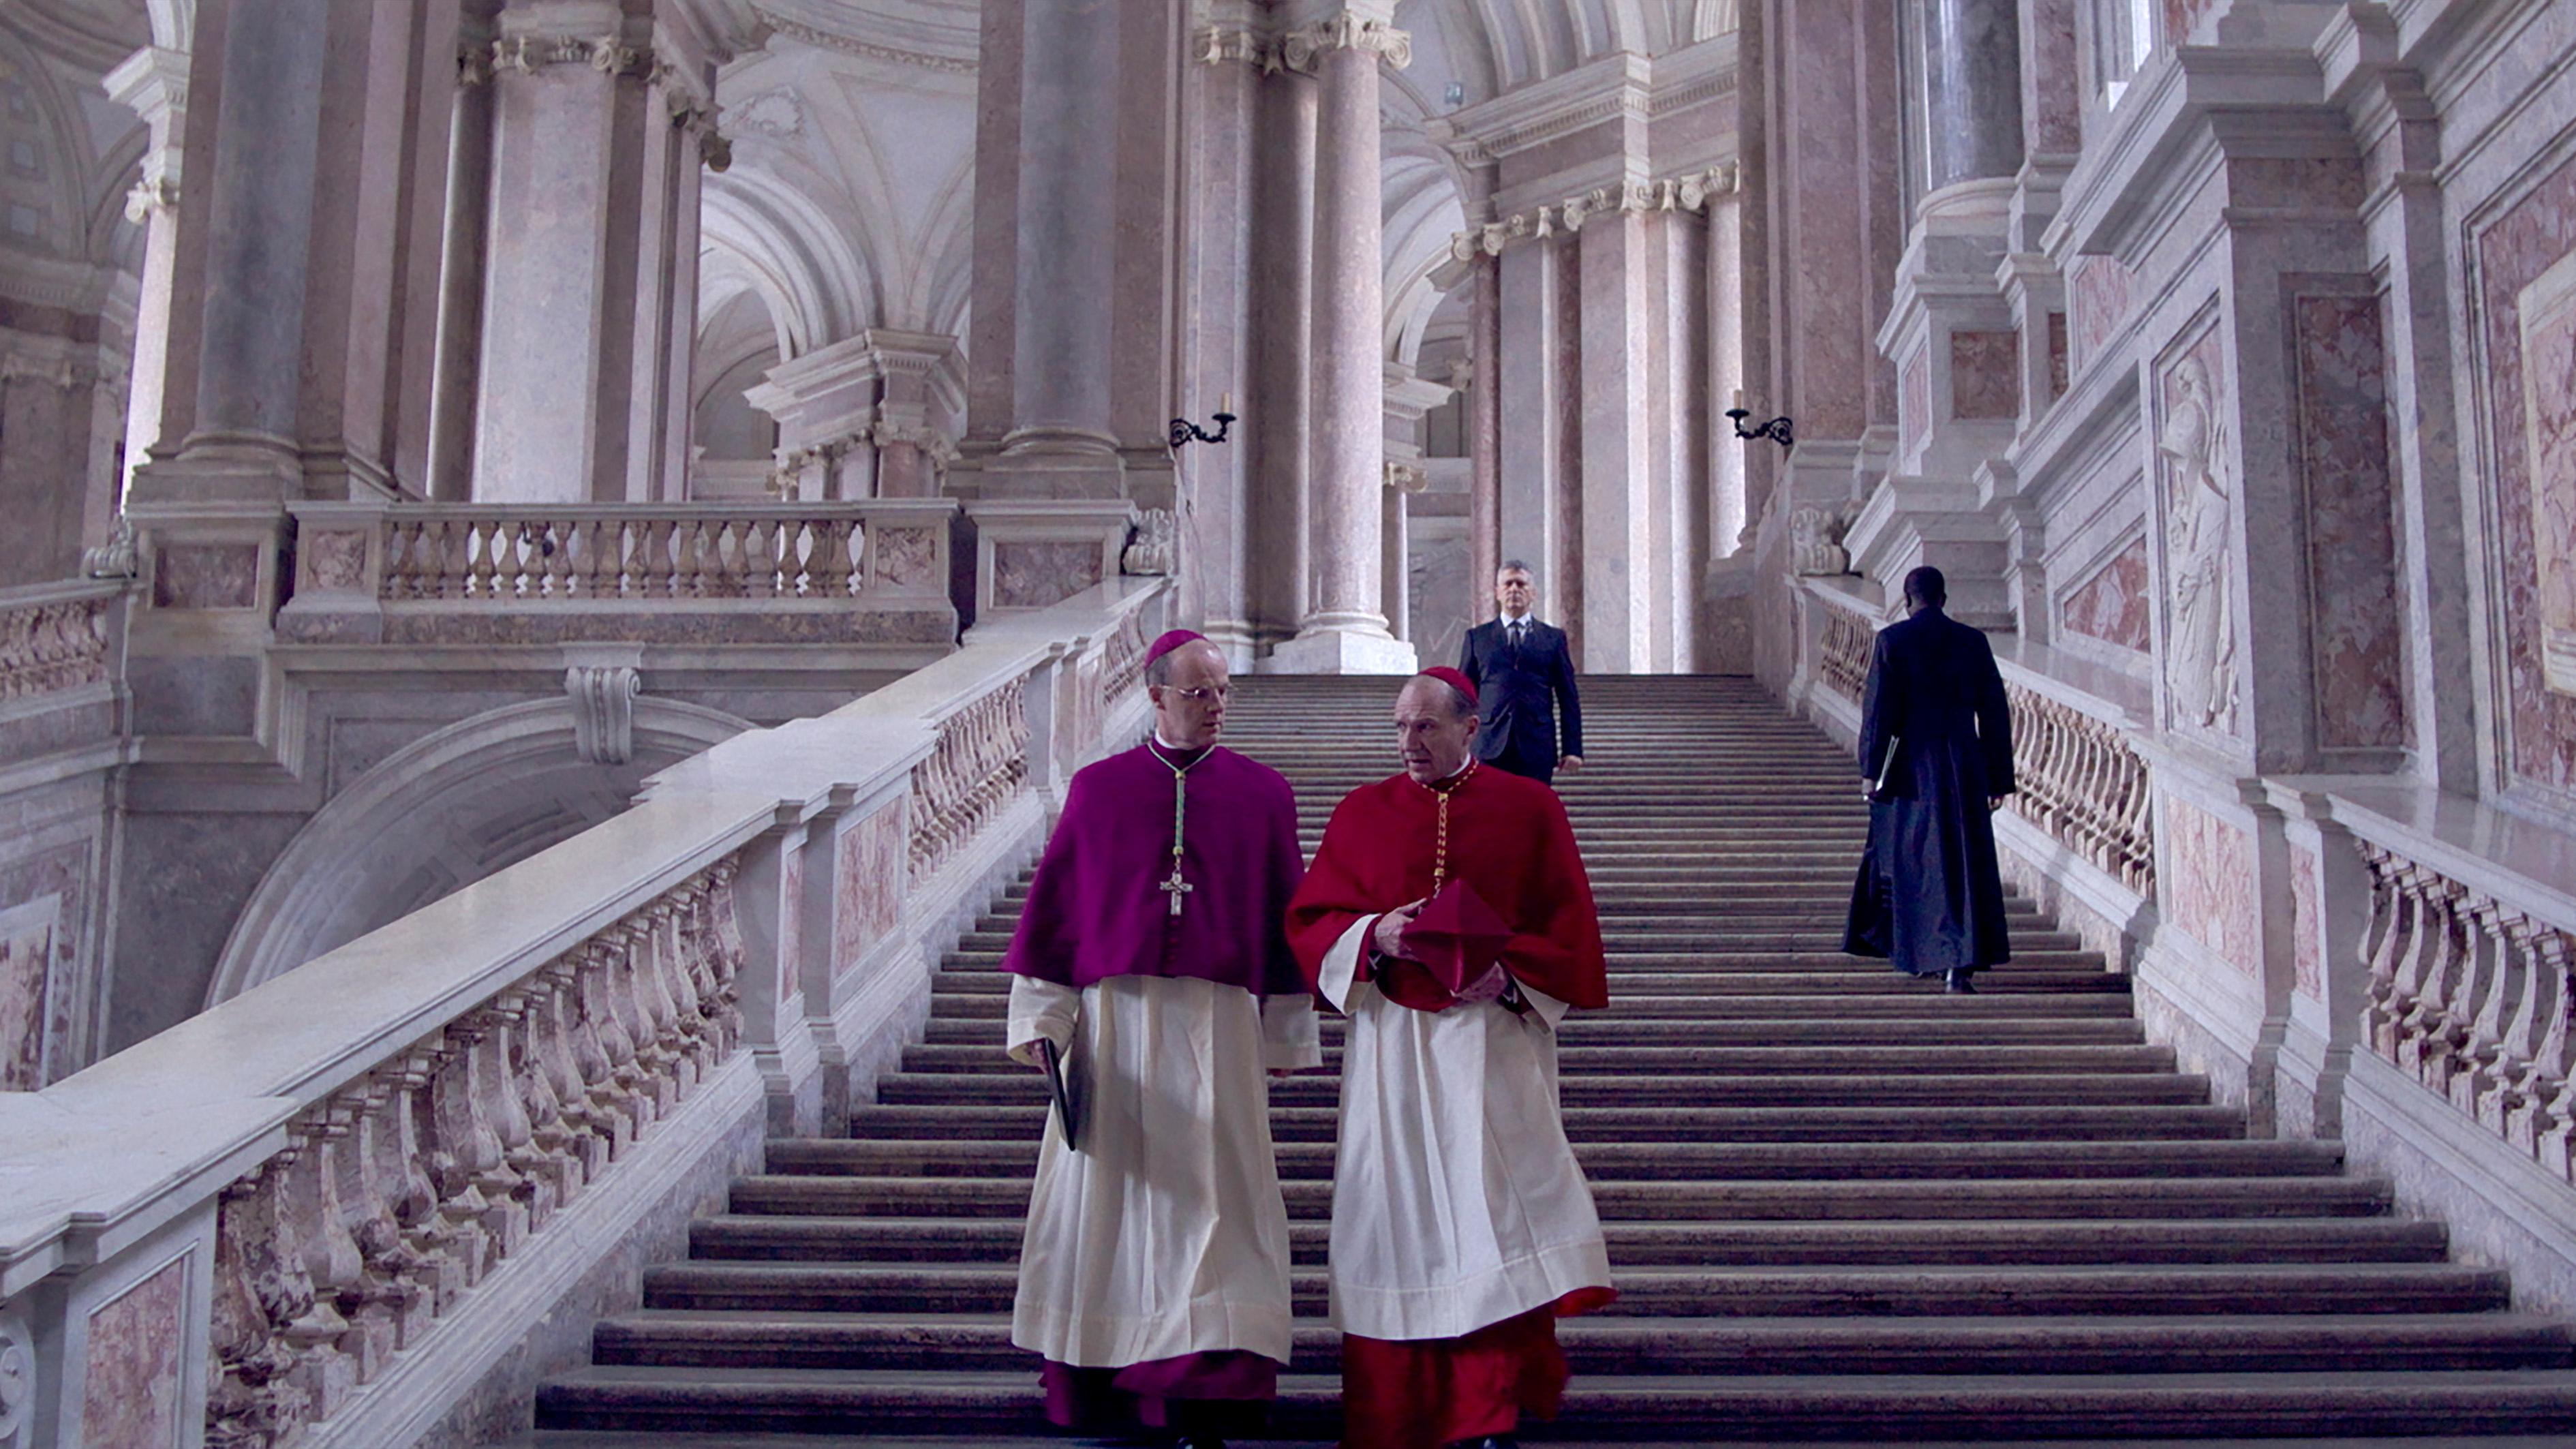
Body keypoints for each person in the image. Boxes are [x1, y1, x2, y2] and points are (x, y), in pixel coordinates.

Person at [1002, 629, 1320, 1448]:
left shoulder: (1264, 793)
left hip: (1221, 1027)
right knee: (1114, 1203)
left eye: (1223, 691)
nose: (1216, 706)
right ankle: (1112, 1381)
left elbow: (1284, 915)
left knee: (1221, 1206)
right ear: (1155, 695)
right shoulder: (1099, 790)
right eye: (1198, 692)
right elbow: (1059, 913)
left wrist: (1286, 1031)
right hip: (1118, 1026)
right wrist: (1043, 1020)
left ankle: (1206, 1391)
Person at [1285, 667, 1615, 1449]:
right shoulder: (1361, 810)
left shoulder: (1530, 807)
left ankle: (1489, 1408)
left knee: (1494, 1212)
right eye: (1401, 726)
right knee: (1393, 1214)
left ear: (1472, 726)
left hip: (1494, 1041)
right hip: (1393, 1046)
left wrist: (1513, 974)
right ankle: (1395, 1409)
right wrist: (1374, 933)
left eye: (1426, 726)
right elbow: (1310, 917)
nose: (1410, 741)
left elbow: (1570, 924)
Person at [1842, 566, 2017, 994]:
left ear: (1907, 600)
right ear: (1944, 598)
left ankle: (1927, 955)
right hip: (1965, 762)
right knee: (1964, 861)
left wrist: (1871, 771)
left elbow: (1880, 712)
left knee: (1918, 862)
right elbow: (1994, 712)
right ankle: (1960, 965)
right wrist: (1998, 777)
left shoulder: (1893, 640)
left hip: (1912, 767)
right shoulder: (1972, 641)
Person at [1456, 560, 1584, 785]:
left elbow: (1568, 697)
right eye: (1508, 584)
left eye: (1521, 584)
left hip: (1537, 745)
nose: (1514, 589)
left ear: (1533, 592)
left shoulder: (1553, 638)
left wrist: (1572, 749)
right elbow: (1463, 696)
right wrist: (1457, 745)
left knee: (1533, 806)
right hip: (1489, 744)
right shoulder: (1477, 638)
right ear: (1497, 592)